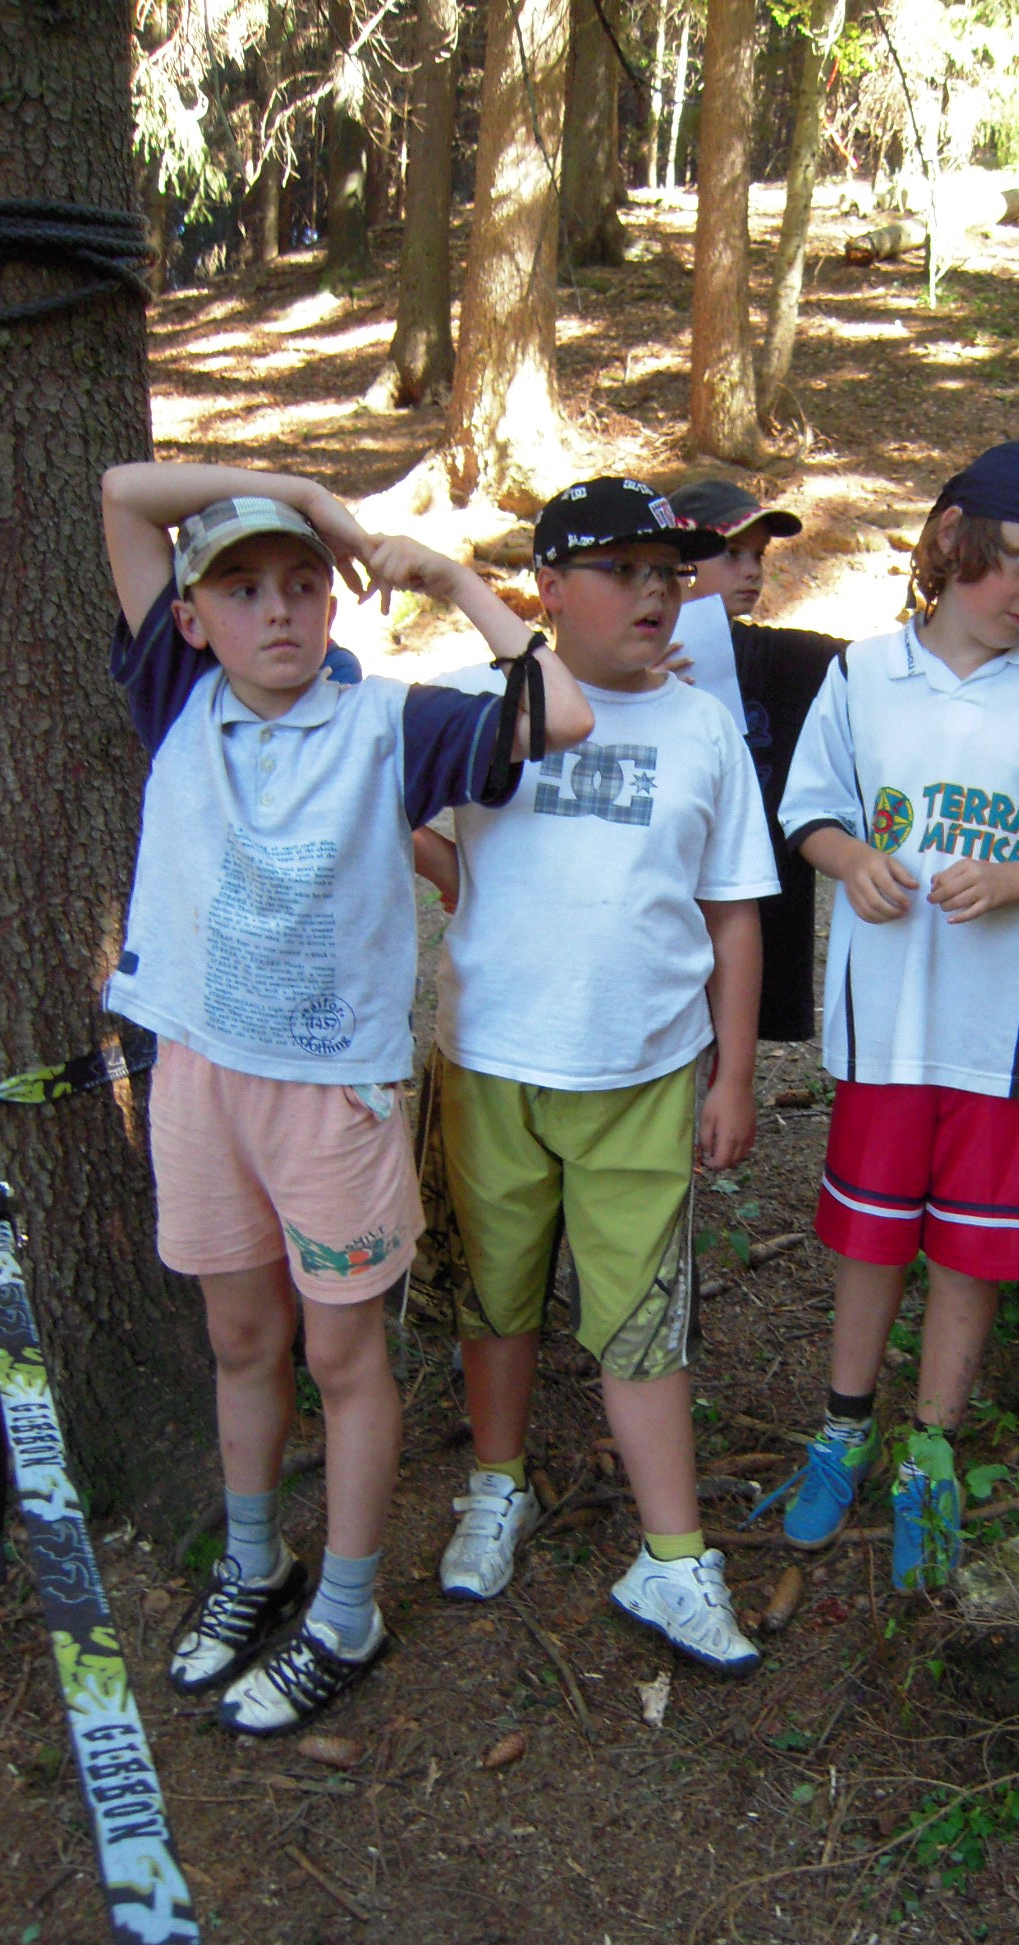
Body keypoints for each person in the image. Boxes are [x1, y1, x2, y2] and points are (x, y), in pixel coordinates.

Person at [100, 460, 592, 1732]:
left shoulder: (390, 722)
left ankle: (349, 1606)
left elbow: (562, 715)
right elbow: (122, 491)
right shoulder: (178, 696)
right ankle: (254, 1560)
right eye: (241, 590)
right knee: (241, 1337)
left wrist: (455, 579)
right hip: (199, 1074)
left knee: (339, 1351)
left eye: (303, 584)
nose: (277, 611)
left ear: (335, 603)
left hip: (332, 1097)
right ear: (191, 617)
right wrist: (299, 494)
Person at [769, 442, 1019, 1588]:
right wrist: (854, 861)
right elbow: (809, 811)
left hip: (1007, 1048)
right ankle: (843, 1430)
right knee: (872, 1237)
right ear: (951, 537)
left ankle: (929, 1454)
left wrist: (1017, 878)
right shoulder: (863, 674)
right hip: (887, 1030)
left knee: (969, 1254)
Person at [431, 476, 779, 1675]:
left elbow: (734, 911)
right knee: (496, 1292)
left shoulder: (702, 728)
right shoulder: (479, 700)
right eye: (621, 571)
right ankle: (497, 1481)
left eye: (668, 575)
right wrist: (443, 869)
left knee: (641, 1313)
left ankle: (673, 1555)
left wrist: (735, 1074)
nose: (654, 594)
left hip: (643, 1068)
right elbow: (398, 806)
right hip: (491, 1060)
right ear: (546, 589)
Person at [667, 480, 846, 1043]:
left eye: (758, 556)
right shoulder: (614, 665)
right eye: (731, 553)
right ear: (679, 559)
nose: (751, 571)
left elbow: (881, 668)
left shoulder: (781, 660)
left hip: (751, 914)